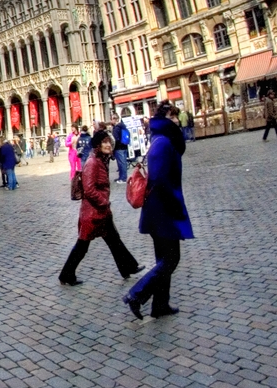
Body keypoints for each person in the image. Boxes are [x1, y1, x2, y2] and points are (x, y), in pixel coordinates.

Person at [125, 102, 194, 319]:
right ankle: (137, 294)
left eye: (176, 116)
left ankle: (160, 304)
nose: (176, 120)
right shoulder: (164, 142)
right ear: (165, 118)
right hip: (164, 209)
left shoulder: (160, 139)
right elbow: (160, 179)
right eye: (172, 116)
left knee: (164, 259)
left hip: (159, 209)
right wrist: (174, 207)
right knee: (171, 259)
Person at [58, 130, 143, 285]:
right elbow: (89, 189)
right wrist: (103, 201)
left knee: (113, 239)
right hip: (93, 213)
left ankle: (128, 267)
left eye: (109, 142)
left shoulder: (101, 160)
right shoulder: (92, 162)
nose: (108, 145)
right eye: (104, 142)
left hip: (100, 211)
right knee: (83, 245)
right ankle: (66, 274)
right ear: (97, 145)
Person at [111, 114, 130, 183]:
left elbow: (115, 139)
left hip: (118, 148)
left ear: (115, 119)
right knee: (124, 162)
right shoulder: (123, 126)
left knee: (121, 163)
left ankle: (123, 178)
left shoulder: (116, 128)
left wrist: (113, 148)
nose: (111, 121)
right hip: (124, 146)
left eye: (112, 119)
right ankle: (121, 177)